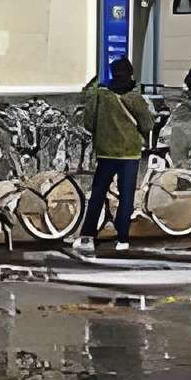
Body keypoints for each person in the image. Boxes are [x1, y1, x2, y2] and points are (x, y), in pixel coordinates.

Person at [76, 55, 159, 253]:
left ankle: (87, 236)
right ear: (130, 73)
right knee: (126, 195)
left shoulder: (100, 96)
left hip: (105, 153)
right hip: (130, 154)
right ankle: (122, 238)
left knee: (97, 194)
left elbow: (88, 123)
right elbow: (147, 125)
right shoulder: (135, 97)